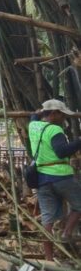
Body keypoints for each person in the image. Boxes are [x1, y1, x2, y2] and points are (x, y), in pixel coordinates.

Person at [28, 99, 81, 260]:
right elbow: (61, 152)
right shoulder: (55, 130)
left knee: (47, 220)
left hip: (42, 180)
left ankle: (49, 259)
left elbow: (33, 117)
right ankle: (66, 233)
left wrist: (36, 114)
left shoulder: (33, 126)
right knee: (79, 205)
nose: (64, 118)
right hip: (61, 177)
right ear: (53, 114)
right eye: (62, 114)